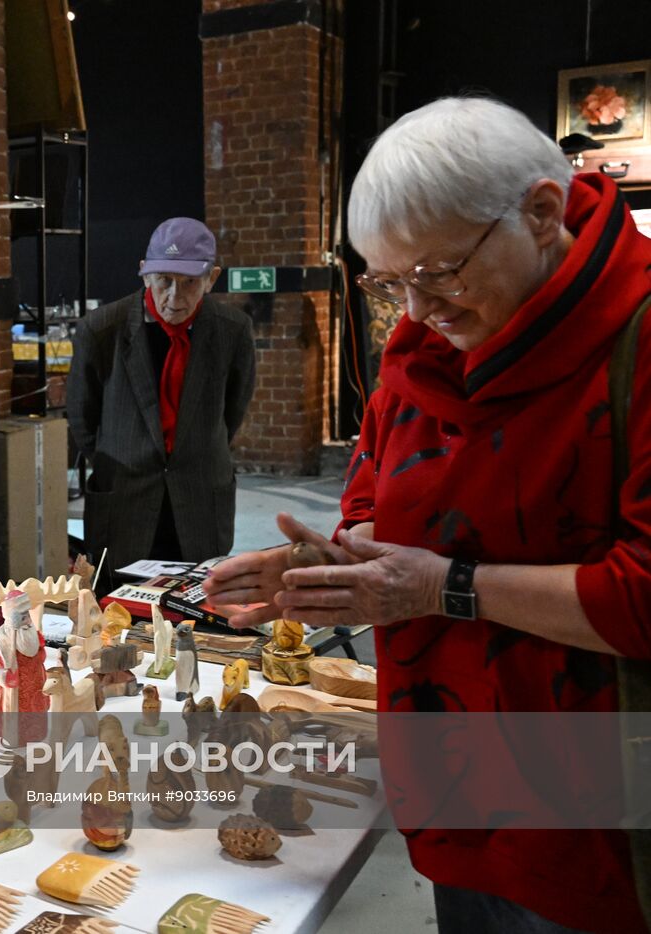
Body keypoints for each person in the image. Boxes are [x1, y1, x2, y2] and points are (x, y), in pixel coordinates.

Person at [204, 97, 651, 933]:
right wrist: (336, 565)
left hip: (599, 825)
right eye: (389, 282)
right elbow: (374, 502)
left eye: (439, 273)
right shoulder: (424, 355)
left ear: (541, 213)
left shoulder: (637, 340)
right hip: (456, 792)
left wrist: (443, 587)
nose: (415, 311)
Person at [67, 217, 255, 582]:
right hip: (124, 497)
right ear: (144, 273)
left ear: (212, 278)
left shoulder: (232, 330)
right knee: (117, 607)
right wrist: (124, 458)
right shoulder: (102, 329)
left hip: (200, 498)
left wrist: (192, 451)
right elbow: (82, 415)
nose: (174, 296)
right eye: (164, 280)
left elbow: (232, 411)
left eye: (189, 282)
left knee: (198, 603)